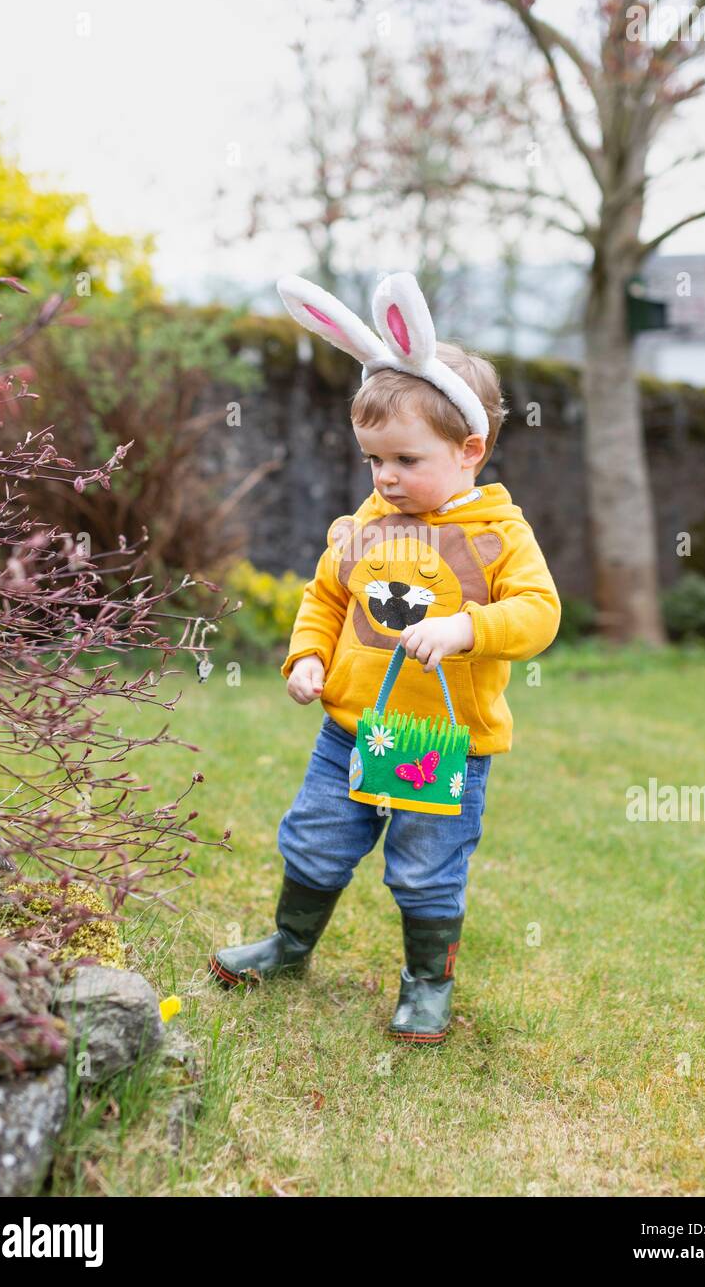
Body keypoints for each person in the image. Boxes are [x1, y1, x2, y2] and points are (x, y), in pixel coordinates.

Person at [209, 272, 561, 1043]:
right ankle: (290, 944)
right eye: (374, 461)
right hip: (351, 731)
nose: (387, 477)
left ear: (470, 450)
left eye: (405, 459)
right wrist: (307, 658)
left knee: (426, 865)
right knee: (316, 837)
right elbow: (326, 598)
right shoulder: (363, 525)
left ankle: (426, 983)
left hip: (441, 744)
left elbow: (539, 614)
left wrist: (468, 628)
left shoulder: (500, 536)